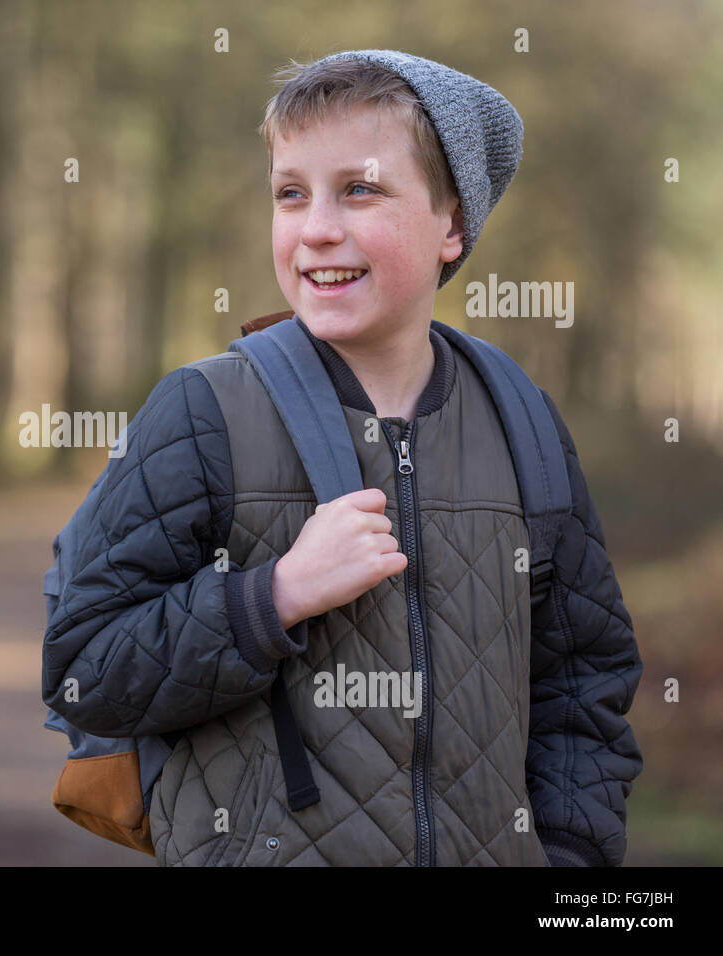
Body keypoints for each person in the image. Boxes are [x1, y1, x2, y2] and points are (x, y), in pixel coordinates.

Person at [41, 50, 643, 866]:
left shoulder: (521, 421)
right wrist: (270, 599)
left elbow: (584, 686)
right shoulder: (204, 412)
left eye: (359, 189)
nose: (316, 226)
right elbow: (85, 671)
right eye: (291, 193)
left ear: (452, 222)